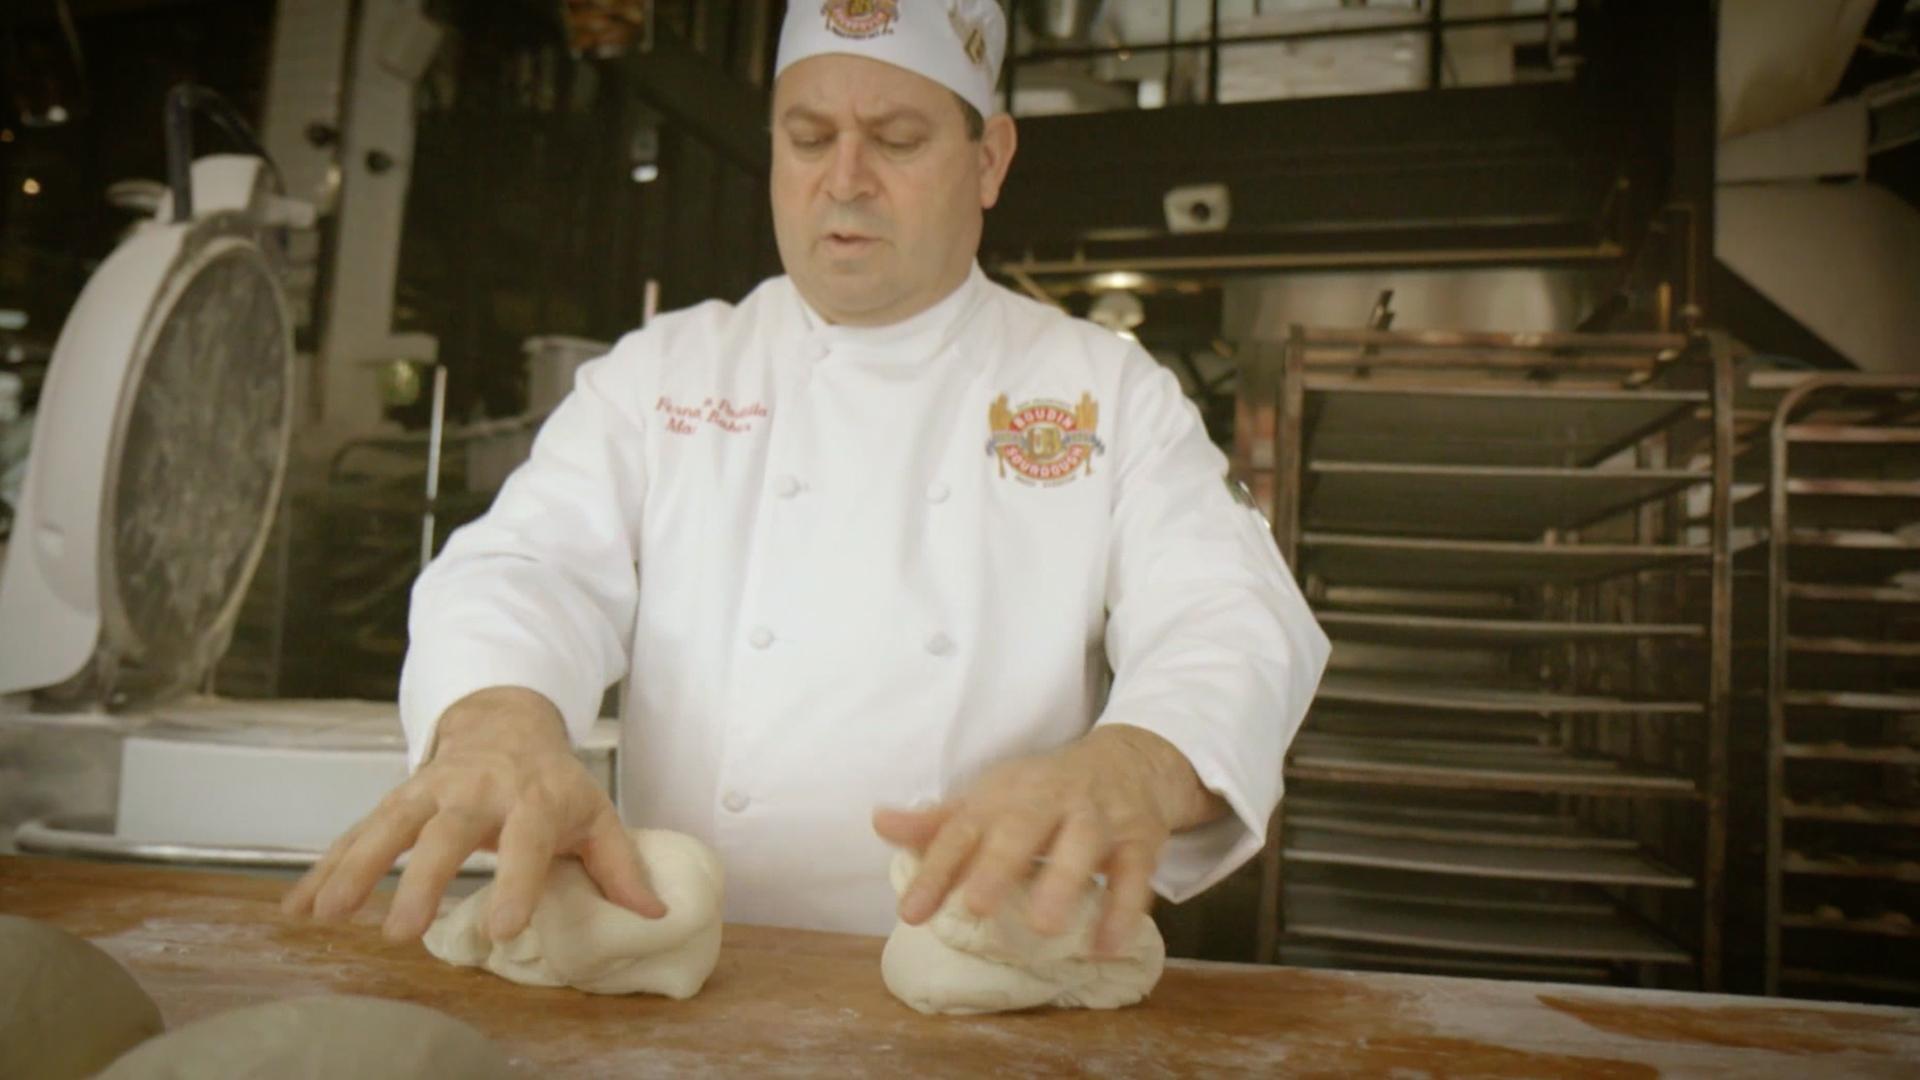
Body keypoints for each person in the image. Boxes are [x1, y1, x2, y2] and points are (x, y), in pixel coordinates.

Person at [284, 0, 1328, 959]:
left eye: (898, 139)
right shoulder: (667, 374)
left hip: (995, 985)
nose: (845, 179)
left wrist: (1139, 759)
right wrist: (497, 717)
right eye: (809, 137)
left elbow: (1227, 616)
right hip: (680, 978)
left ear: (990, 160)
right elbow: (527, 567)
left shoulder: (1105, 391)